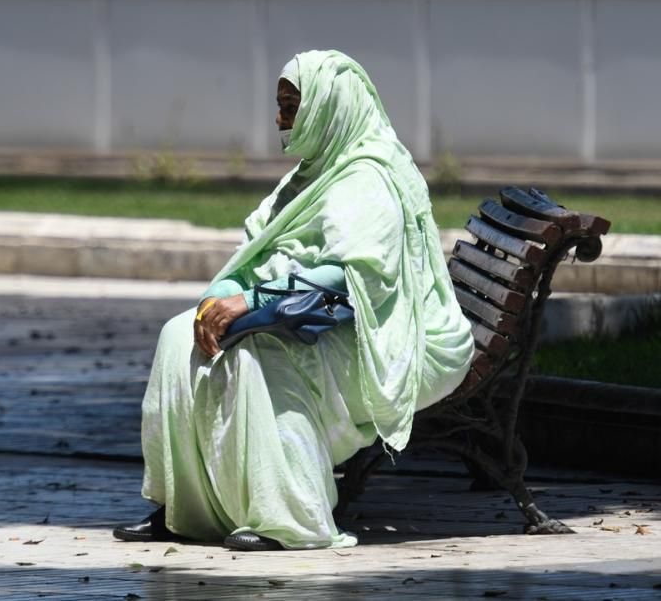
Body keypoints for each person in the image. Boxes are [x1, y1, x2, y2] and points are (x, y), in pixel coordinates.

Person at [113, 50, 474, 551]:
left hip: (395, 337)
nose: (280, 120)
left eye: (291, 107)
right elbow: (260, 252)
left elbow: (357, 274)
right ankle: (184, 511)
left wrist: (253, 301)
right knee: (179, 335)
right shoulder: (311, 174)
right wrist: (220, 297)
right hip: (317, 317)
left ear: (328, 107)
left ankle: (288, 519)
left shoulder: (368, 176)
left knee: (265, 358)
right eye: (280, 105)